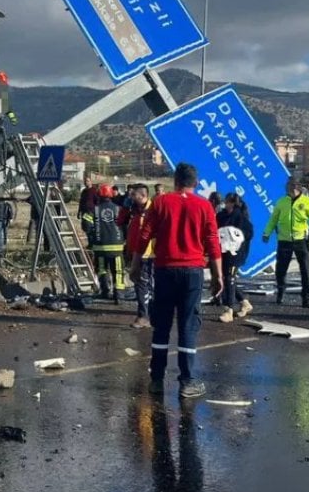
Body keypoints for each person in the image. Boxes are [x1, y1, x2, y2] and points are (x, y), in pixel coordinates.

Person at [132, 162, 222, 399]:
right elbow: (213, 242)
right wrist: (218, 275)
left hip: (165, 270)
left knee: (161, 325)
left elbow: (144, 235)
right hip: (192, 271)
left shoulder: (161, 202)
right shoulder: (204, 206)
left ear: (175, 181)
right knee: (188, 325)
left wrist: (135, 263)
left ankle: (157, 380)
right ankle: (187, 381)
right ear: (196, 182)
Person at [263, 180, 309, 307]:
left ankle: (306, 297)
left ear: (297, 189)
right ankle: (280, 290)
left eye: (290, 188)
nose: (288, 190)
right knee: (280, 269)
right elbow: (273, 219)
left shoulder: (307, 202)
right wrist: (266, 233)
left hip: (300, 240)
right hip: (284, 240)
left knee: (305, 269)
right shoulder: (281, 202)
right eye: (287, 188)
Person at [121, 183, 156, 328]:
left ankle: (146, 316)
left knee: (147, 285)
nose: (131, 197)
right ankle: (145, 315)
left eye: (133, 195)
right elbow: (120, 222)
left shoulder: (153, 210)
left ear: (142, 195)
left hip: (150, 254)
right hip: (137, 253)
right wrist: (124, 208)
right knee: (140, 285)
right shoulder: (135, 211)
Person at [216, 192, 255, 322]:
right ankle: (244, 302)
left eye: (226, 202)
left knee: (229, 278)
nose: (224, 204)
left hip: (235, 254)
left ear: (232, 203)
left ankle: (229, 309)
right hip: (223, 252)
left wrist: (235, 238)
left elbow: (248, 234)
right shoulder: (221, 216)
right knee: (226, 279)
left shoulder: (241, 218)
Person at [91, 184, 127, 302]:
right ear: (111, 195)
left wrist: (93, 235)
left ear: (99, 195)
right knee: (118, 270)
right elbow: (126, 226)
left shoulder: (94, 209)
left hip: (100, 247)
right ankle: (119, 295)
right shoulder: (119, 209)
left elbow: (85, 224)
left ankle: (105, 291)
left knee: (102, 269)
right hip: (117, 247)